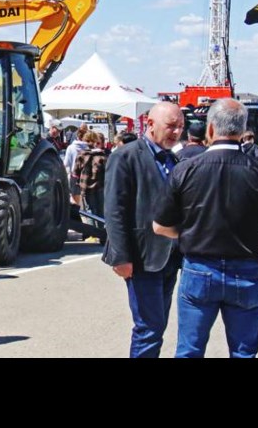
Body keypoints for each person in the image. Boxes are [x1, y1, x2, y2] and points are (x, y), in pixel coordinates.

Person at [153, 99, 258, 358]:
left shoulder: (184, 170)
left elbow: (160, 226)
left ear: (209, 130)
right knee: (244, 352)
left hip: (199, 268)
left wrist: (189, 234)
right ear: (243, 131)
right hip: (246, 268)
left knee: (189, 350)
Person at [102, 102, 184, 358]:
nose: (177, 132)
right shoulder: (125, 157)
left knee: (157, 325)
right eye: (171, 126)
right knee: (148, 328)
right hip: (141, 258)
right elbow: (114, 211)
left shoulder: (174, 159)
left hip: (169, 257)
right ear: (150, 124)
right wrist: (121, 256)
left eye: (180, 127)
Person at [74, 131, 108, 219]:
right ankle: (101, 231)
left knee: (88, 210)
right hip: (100, 185)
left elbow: (75, 172)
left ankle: (91, 231)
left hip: (85, 187)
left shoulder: (81, 154)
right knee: (101, 210)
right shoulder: (102, 155)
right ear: (95, 141)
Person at [63, 125, 90, 205]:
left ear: (77, 135)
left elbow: (66, 163)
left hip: (75, 176)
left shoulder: (71, 148)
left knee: (76, 202)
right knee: (87, 201)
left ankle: (78, 216)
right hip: (87, 176)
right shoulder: (89, 147)